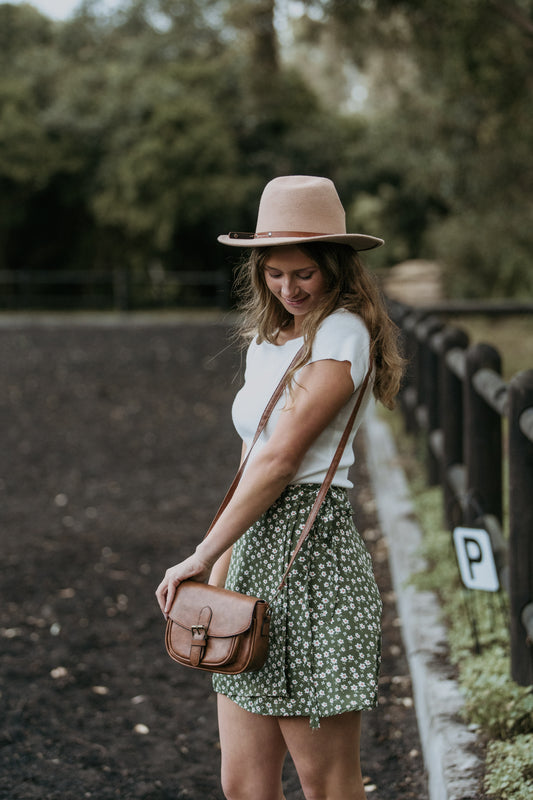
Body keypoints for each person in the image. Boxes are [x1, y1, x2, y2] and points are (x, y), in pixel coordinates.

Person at [156, 175, 404, 800]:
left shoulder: (342, 332)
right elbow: (248, 462)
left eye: (303, 274)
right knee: (243, 782)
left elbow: (281, 460)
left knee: (325, 783)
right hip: (253, 551)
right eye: (273, 273)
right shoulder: (268, 342)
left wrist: (199, 554)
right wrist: (226, 567)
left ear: (335, 267)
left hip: (314, 561)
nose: (288, 289)